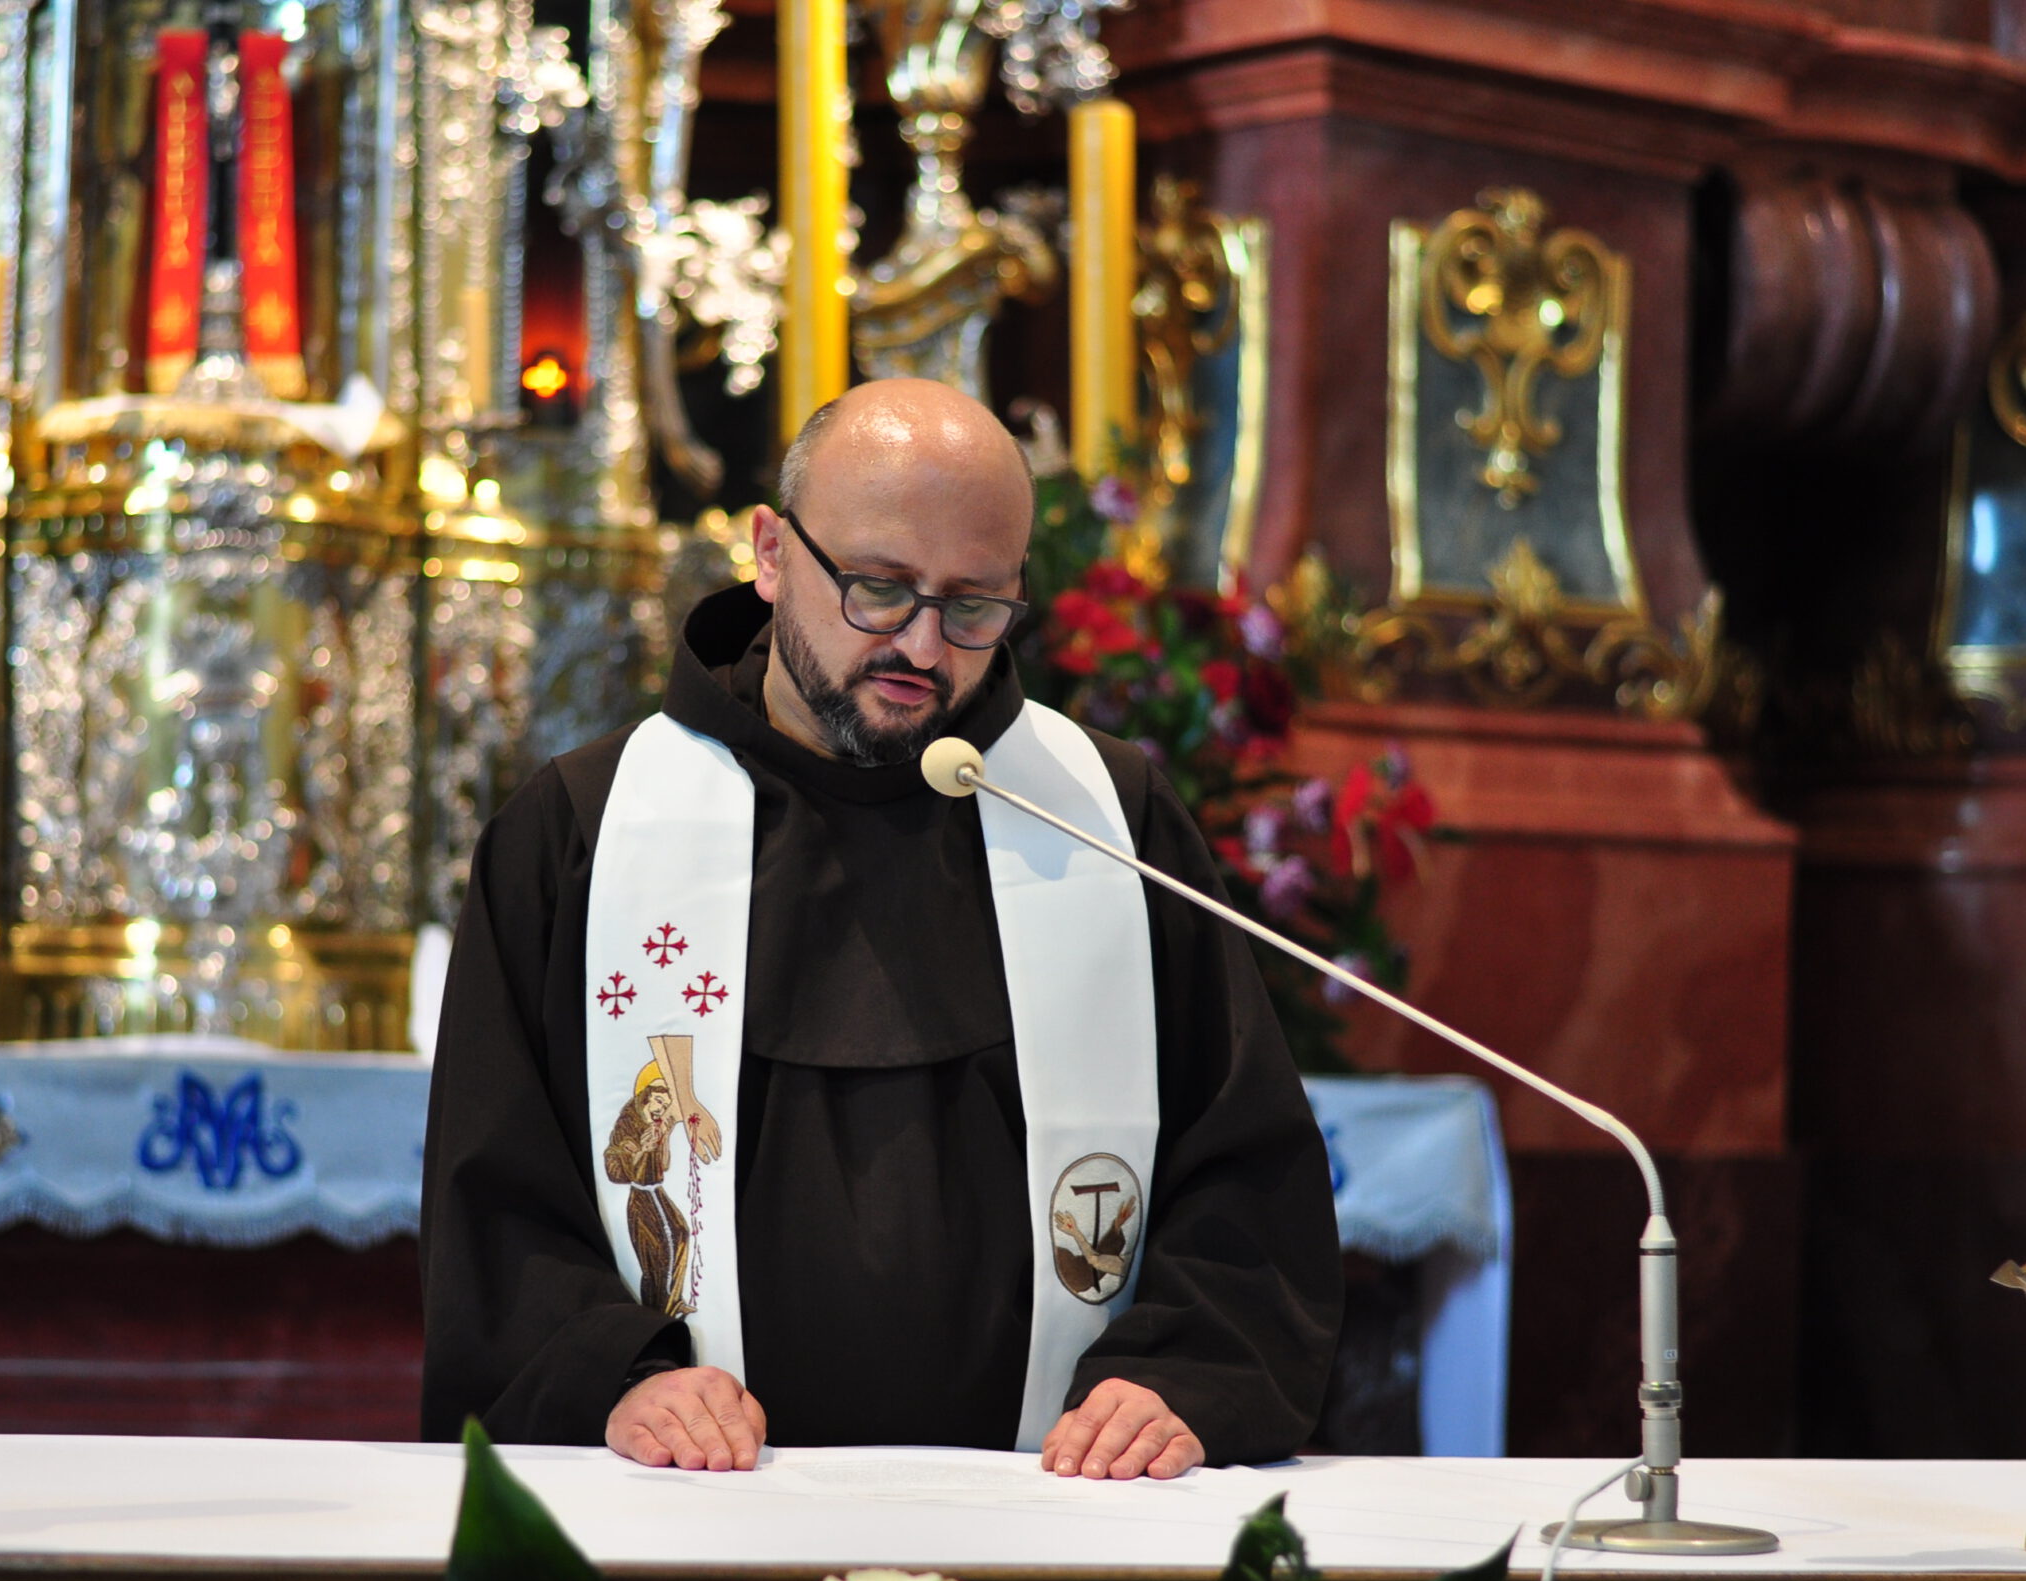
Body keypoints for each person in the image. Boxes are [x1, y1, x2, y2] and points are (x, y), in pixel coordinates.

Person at [418, 377, 1341, 1481]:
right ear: (770, 554)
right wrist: (614, 1374)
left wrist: (1178, 1373)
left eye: (973, 607)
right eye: (879, 589)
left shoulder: (1104, 820)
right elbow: (498, 1199)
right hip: (687, 1508)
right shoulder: (585, 831)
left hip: (1062, 1513)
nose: (923, 647)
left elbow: (1243, 1169)